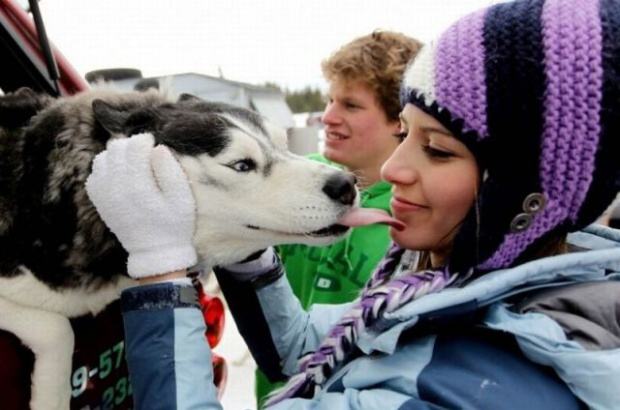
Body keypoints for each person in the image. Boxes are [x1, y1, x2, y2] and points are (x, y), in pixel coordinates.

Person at [86, 0, 620, 408]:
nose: (392, 170)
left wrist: (160, 276)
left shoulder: (483, 384)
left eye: (436, 149)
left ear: (529, 193)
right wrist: (252, 250)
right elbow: (308, 355)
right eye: (407, 133)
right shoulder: (448, 281)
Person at [266, 30, 421, 407]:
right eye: (330, 101)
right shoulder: (289, 180)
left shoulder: (421, 217)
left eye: (350, 105)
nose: (329, 117)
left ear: (400, 119)